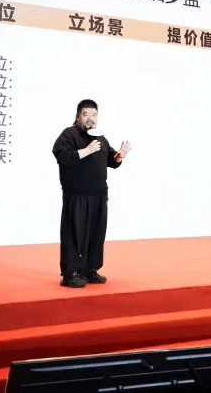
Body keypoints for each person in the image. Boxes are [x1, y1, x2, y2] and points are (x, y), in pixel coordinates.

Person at [52, 99, 132, 287]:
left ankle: (90, 270)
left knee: (96, 234)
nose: (90, 118)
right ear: (77, 116)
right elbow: (62, 155)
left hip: (99, 195)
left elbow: (110, 160)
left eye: (94, 115)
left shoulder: (100, 137)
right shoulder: (69, 134)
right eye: (86, 114)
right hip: (77, 195)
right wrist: (86, 150)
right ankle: (70, 274)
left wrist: (119, 156)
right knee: (74, 234)